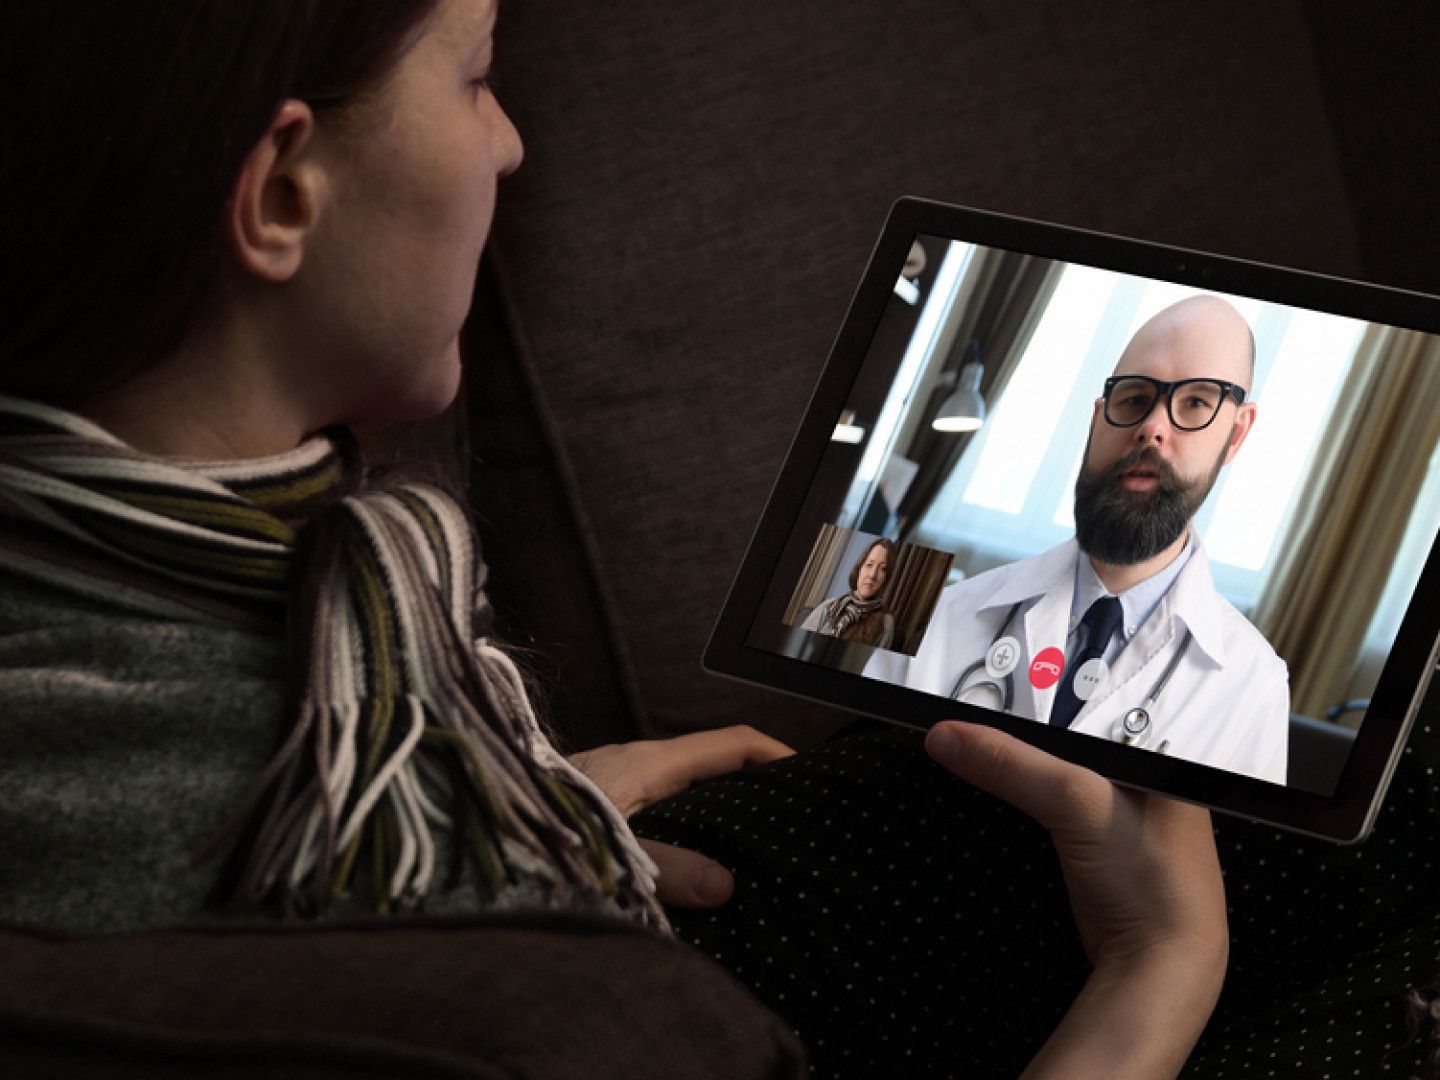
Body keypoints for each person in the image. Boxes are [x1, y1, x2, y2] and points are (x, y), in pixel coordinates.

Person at [0, 1, 1242, 1073]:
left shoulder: (208, 635)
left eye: (1195, 408)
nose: (510, 141)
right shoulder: (506, 997)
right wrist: (1156, 977)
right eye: (477, 76)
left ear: (1236, 439)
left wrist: (515, 813)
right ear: (279, 193)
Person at [867, 297, 1290, 784]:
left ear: (1236, 435)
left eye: (1195, 402)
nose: (1152, 427)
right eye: (1133, 399)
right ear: (1096, 419)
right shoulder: (939, 613)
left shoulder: (1254, 684)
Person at [798, 537, 898, 649]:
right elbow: (797, 647)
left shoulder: (885, 623)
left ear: (886, 578)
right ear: (860, 568)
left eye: (882, 569)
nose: (872, 575)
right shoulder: (829, 606)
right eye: (869, 565)